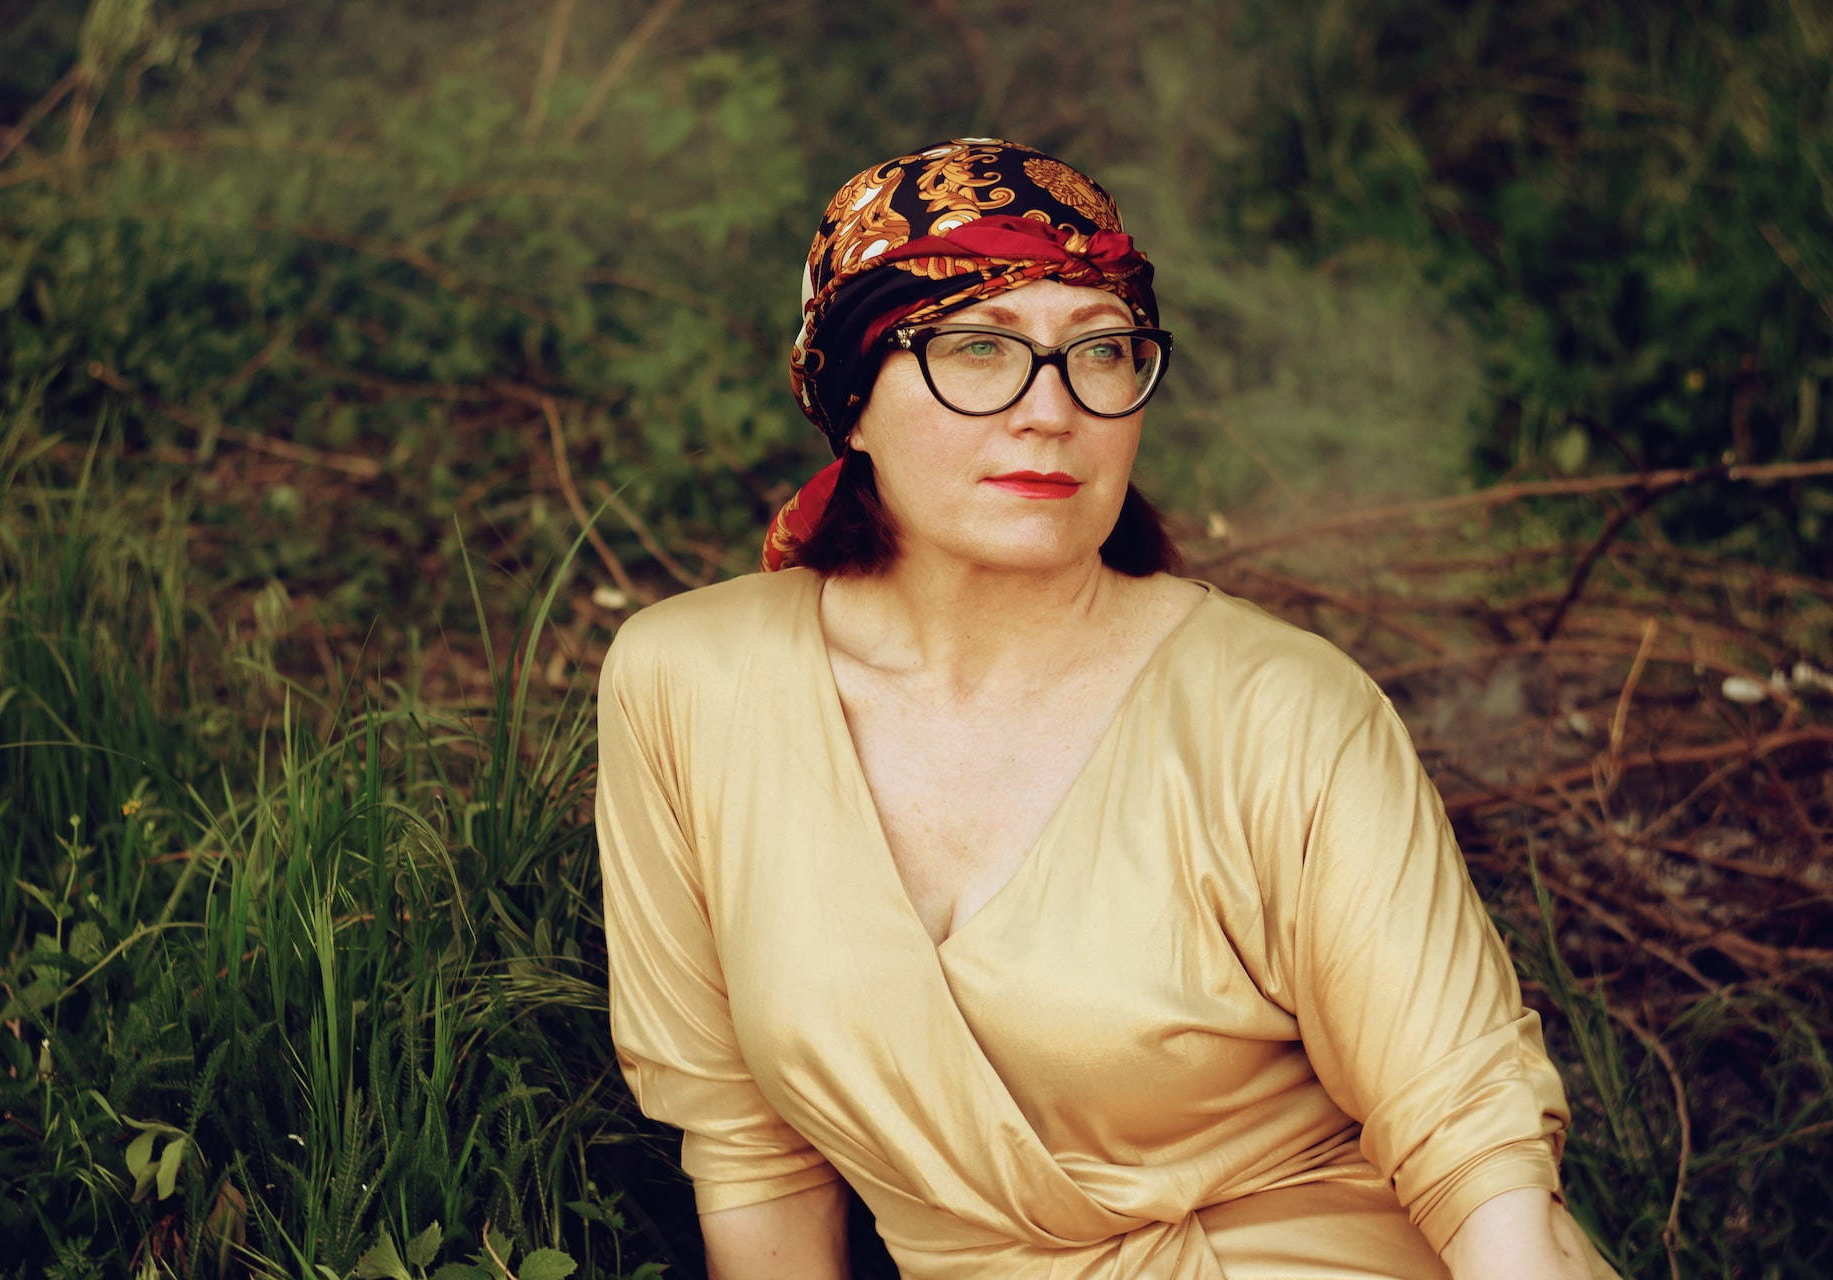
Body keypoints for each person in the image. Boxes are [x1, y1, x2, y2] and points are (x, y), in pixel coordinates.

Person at [597, 139, 1617, 1280]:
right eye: (977, 350)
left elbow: (1471, 1132)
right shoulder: (688, 680)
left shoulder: (1280, 706)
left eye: (1100, 351)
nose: (1050, 409)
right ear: (852, 399)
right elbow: (746, 1138)